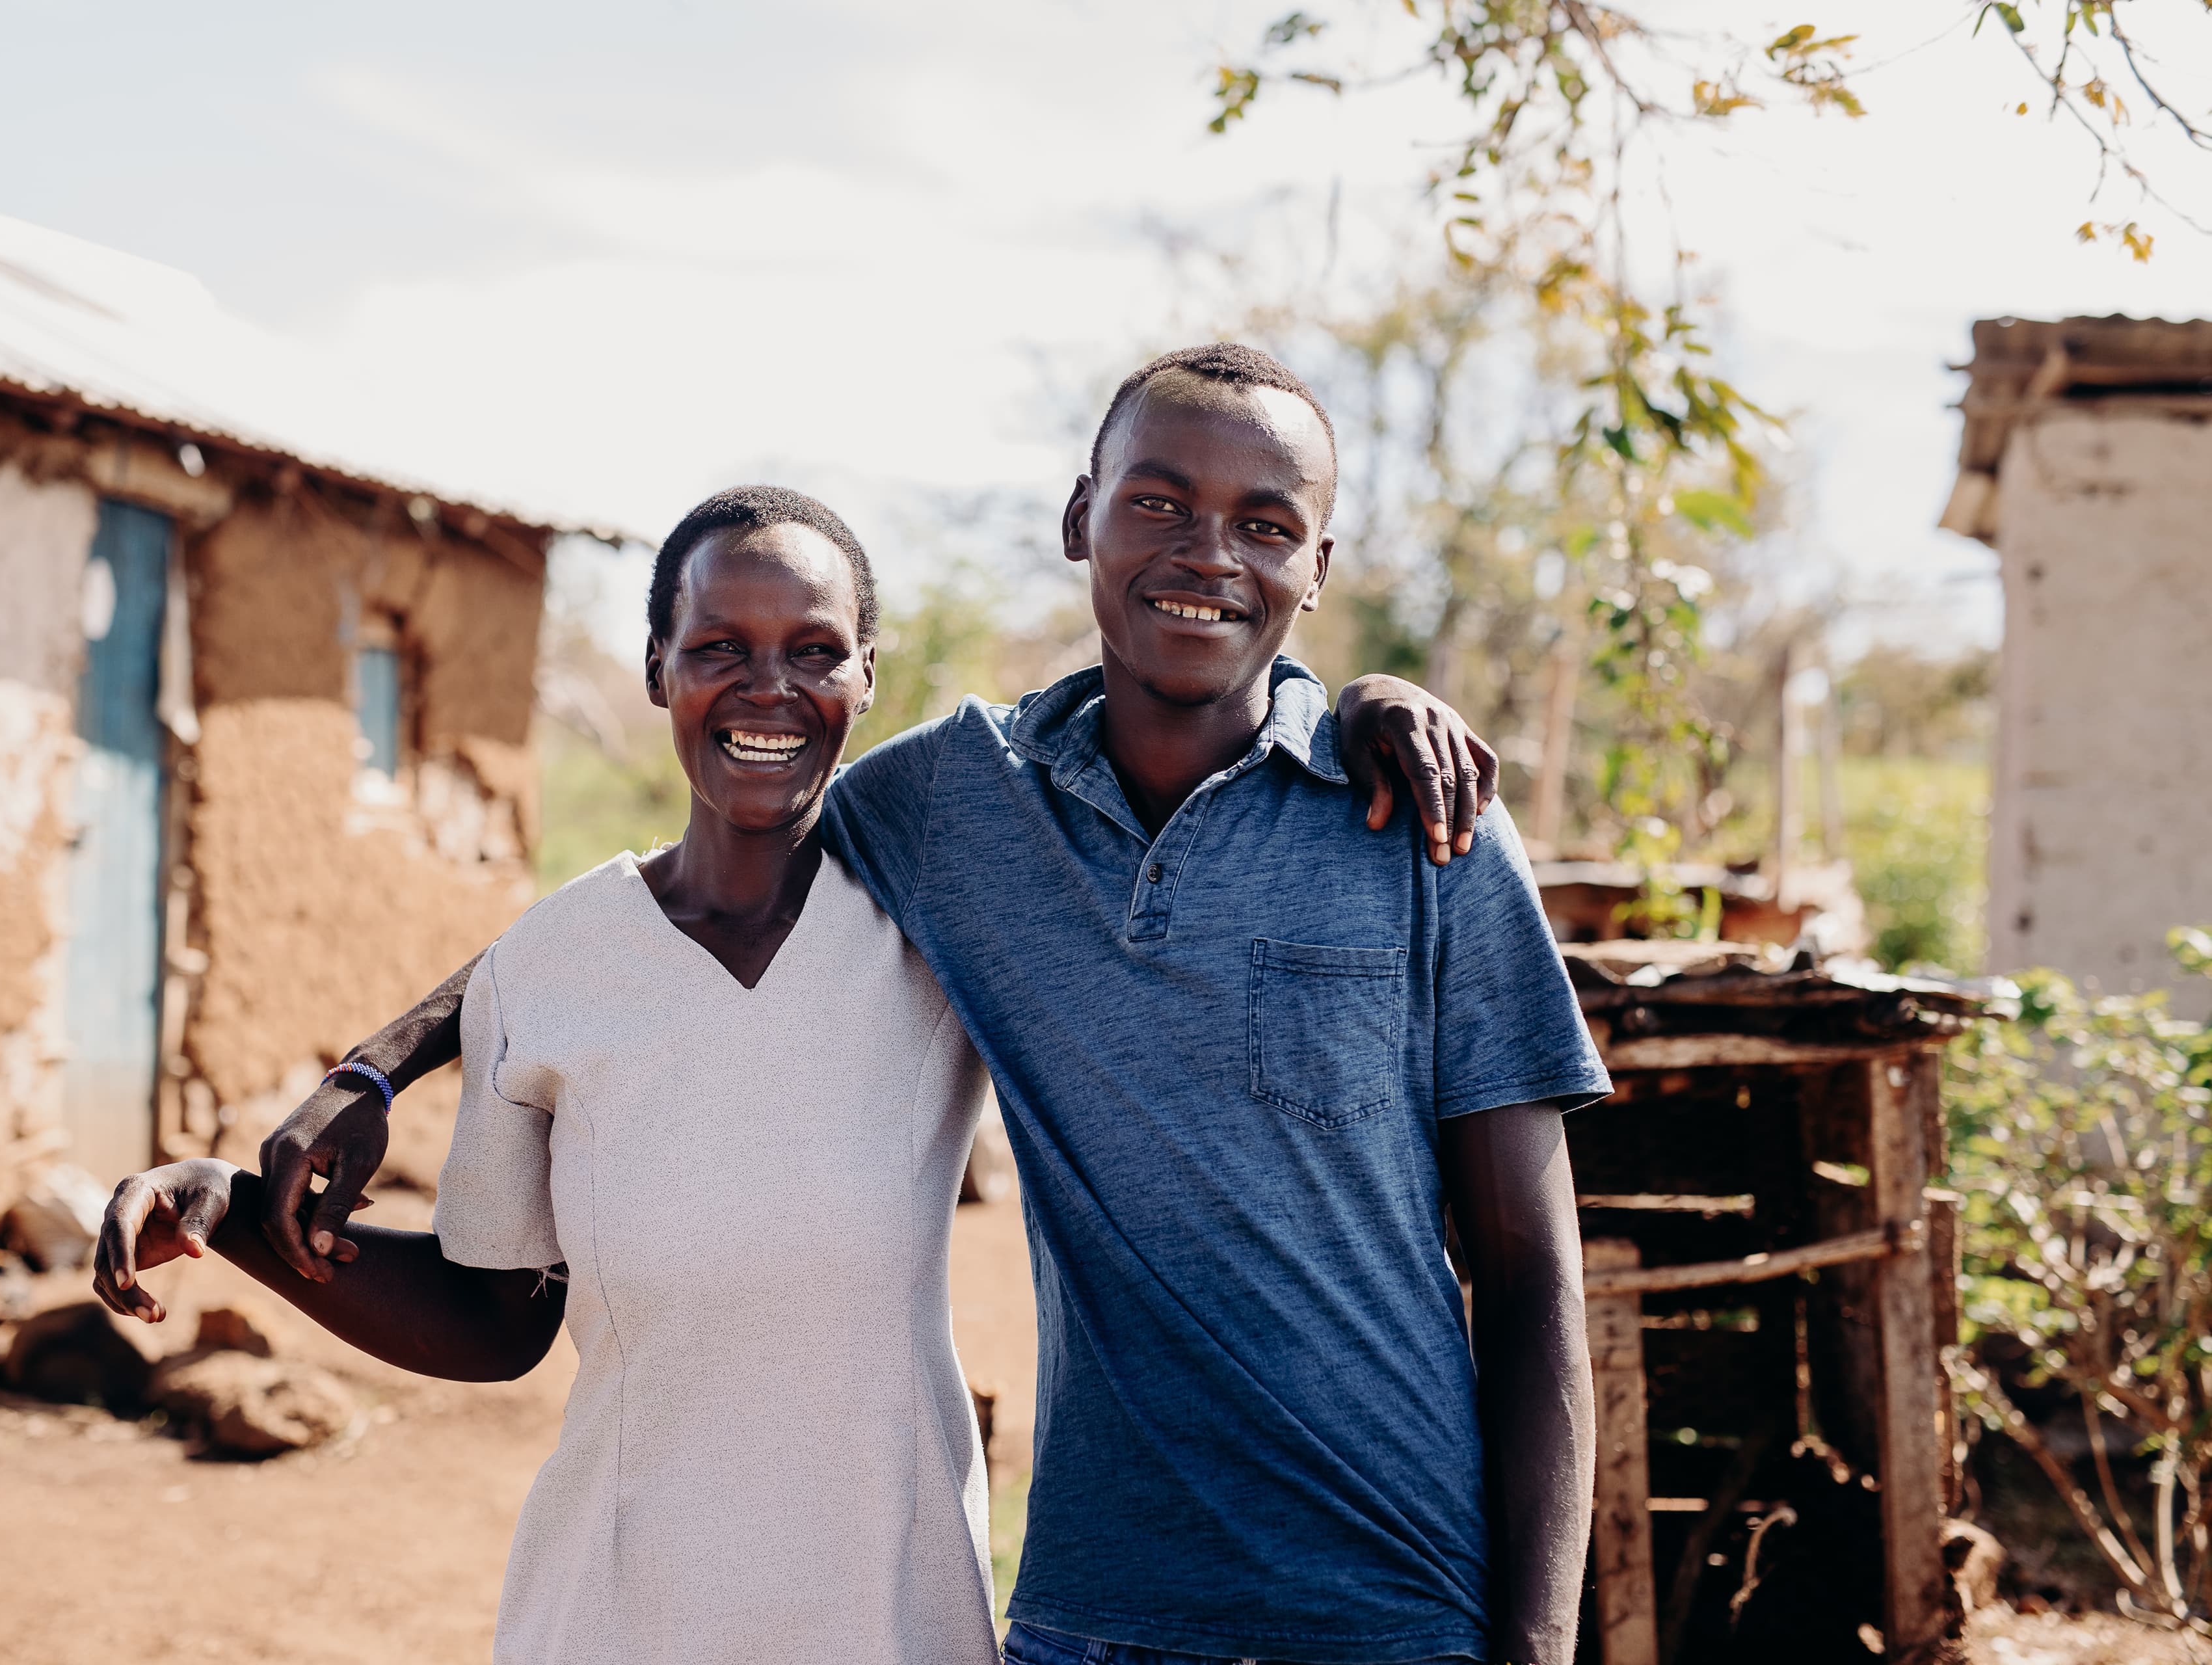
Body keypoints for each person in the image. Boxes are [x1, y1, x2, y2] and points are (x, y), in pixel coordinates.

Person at [241, 346, 1604, 1664]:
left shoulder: (1425, 834)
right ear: (1082, 518)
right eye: (1158, 500)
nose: (1208, 551)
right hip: (1093, 1612)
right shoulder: (955, 807)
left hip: (1392, 1607)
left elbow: (1536, 1274)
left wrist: (1537, 1646)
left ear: (1320, 565)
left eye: (1266, 521)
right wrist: (377, 1066)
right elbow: (627, 923)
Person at [96, 488, 1002, 1662]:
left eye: (816, 651)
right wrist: (231, 1208)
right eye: (718, 646)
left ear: (867, 675)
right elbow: (495, 1322)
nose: (768, 687)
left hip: (890, 1606)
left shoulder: (942, 924)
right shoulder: (556, 965)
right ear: (655, 668)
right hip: (623, 1606)